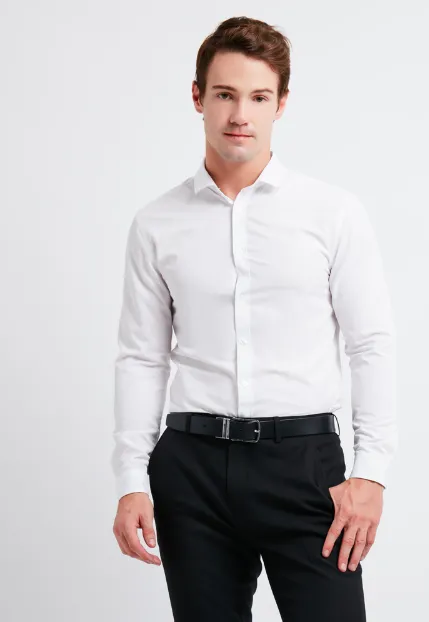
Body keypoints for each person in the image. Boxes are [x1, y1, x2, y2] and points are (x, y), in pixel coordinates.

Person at [111, 15, 397, 622]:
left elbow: (370, 344)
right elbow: (142, 356)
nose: (240, 114)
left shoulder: (332, 214)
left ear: (281, 104)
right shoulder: (156, 224)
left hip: (305, 467)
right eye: (225, 94)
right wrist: (132, 478)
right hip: (192, 470)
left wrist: (371, 474)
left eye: (259, 97)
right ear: (198, 97)